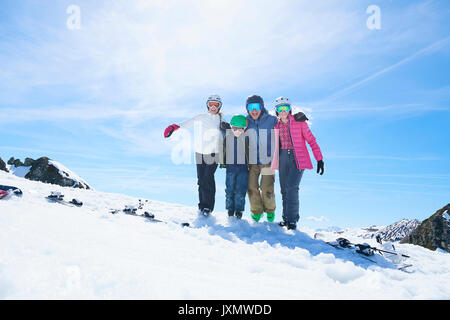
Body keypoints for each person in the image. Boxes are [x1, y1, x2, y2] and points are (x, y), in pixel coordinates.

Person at [164, 94, 225, 217]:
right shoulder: (201, 117)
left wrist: (228, 129)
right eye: (211, 104)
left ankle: (208, 207)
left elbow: (232, 130)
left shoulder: (221, 120)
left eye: (216, 105)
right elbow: (186, 123)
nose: (213, 107)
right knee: (201, 180)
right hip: (200, 152)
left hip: (214, 153)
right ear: (207, 105)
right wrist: (174, 127)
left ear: (219, 106)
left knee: (208, 178)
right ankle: (202, 205)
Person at [270, 97, 324, 230]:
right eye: (280, 109)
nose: (283, 111)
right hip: (283, 158)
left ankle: (292, 220)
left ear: (290, 109)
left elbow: (311, 140)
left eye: (286, 108)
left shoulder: (299, 122)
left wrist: (319, 159)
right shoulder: (276, 126)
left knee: (292, 187)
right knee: (284, 189)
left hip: (297, 158)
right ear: (276, 111)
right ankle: (286, 219)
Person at [220, 115, 250, 220]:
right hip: (230, 169)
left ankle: (239, 211)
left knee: (240, 190)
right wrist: (223, 125)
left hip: (243, 170)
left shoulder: (248, 138)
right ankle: (230, 210)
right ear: (231, 128)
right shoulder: (227, 136)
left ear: (244, 129)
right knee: (229, 189)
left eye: (240, 129)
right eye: (234, 128)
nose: (237, 131)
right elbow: (222, 129)